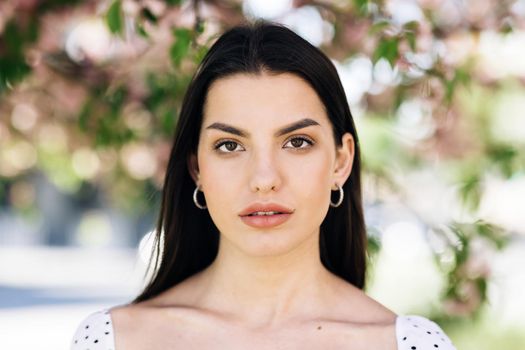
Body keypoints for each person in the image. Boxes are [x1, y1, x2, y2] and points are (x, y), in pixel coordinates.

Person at [71, 21, 456, 349]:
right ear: (197, 168)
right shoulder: (115, 339)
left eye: (297, 142)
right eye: (230, 145)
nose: (264, 179)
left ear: (341, 161)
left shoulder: (407, 344)